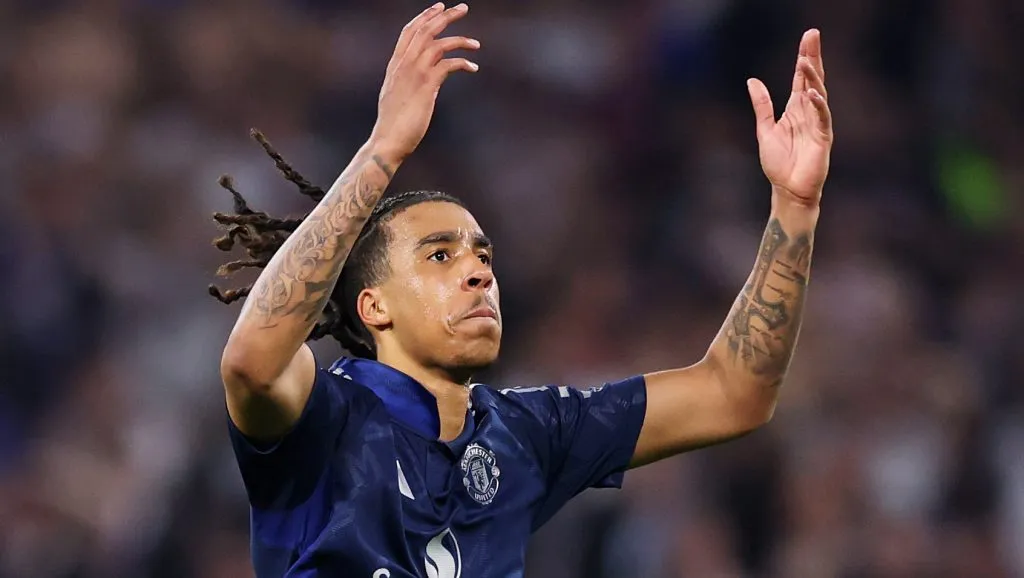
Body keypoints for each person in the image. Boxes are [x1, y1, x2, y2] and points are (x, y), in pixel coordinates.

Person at [209, 3, 833, 577]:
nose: (478, 272)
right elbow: (251, 363)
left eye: (483, 255)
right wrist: (383, 150)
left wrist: (794, 206)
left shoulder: (529, 432)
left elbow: (732, 394)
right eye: (440, 256)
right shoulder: (324, 417)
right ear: (374, 307)